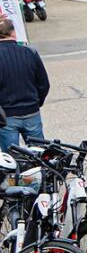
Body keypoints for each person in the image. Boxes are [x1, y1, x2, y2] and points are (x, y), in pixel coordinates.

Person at [0, 17, 49, 152]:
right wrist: (36, 102)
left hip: (6, 115)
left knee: (12, 157)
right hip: (31, 111)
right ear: (13, 33)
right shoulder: (30, 53)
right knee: (40, 155)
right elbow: (44, 83)